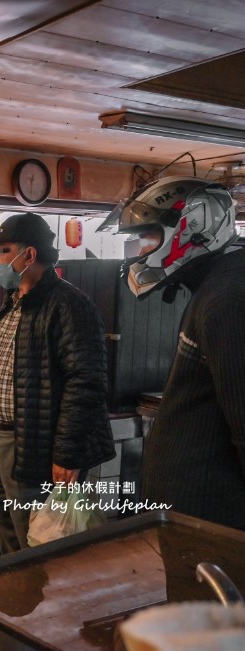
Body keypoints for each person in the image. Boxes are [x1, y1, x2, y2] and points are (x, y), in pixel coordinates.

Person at [0, 212, 115, 554]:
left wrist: (66, 454)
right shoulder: (14, 301)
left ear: (29, 256)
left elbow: (86, 383)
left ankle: (40, 604)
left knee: (36, 541)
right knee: (5, 530)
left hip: (31, 444)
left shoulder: (68, 304)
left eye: (3, 251)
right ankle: (15, 601)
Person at [118, 177, 245, 530]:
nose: (141, 252)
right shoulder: (218, 287)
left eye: (150, 237)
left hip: (211, 524)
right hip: (194, 515)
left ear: (196, 226)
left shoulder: (230, 297)